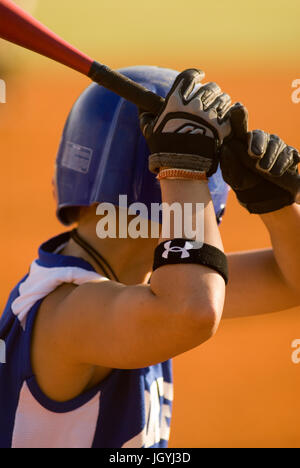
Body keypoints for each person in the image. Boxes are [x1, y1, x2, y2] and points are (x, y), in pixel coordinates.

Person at [0, 66, 299, 448]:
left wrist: (275, 204)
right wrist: (182, 168)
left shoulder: (145, 281)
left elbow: (291, 281)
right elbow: (193, 311)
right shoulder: (66, 310)